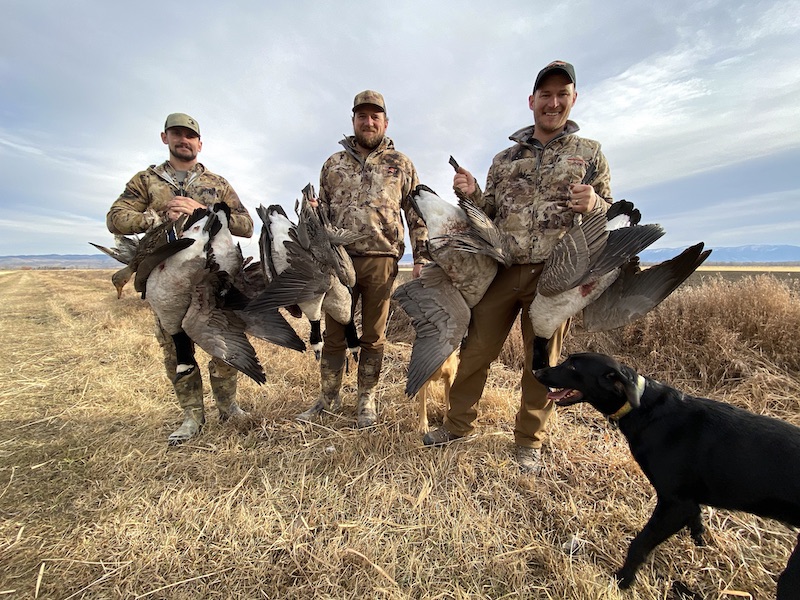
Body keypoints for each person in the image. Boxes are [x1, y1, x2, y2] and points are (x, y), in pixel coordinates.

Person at [422, 61, 614, 474]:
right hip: (503, 270)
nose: (553, 102)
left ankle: (529, 441)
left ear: (573, 99)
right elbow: (487, 214)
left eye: (562, 93)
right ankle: (457, 427)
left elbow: (610, 214)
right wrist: (472, 194)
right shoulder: (504, 158)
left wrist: (595, 204)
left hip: (556, 276)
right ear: (532, 101)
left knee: (543, 365)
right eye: (545, 94)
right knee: (475, 352)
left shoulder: (590, 154)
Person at [106, 113, 254, 445]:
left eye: (190, 135)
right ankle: (191, 417)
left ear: (200, 143)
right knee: (177, 350)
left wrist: (202, 210)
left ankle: (228, 407)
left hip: (212, 282)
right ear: (165, 137)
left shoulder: (217, 184)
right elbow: (115, 219)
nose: (183, 140)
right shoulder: (145, 181)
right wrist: (157, 216)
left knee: (224, 346)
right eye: (177, 134)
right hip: (165, 283)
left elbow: (245, 224)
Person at [297, 90, 428, 428]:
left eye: (375, 116)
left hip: (382, 260)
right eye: (362, 116)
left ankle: (366, 399)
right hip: (338, 260)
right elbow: (320, 212)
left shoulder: (400, 164)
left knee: (373, 336)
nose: (368, 122)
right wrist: (311, 216)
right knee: (335, 333)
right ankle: (328, 397)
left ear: (385, 122)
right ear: (353, 120)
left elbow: (417, 212)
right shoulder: (332, 164)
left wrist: (422, 255)